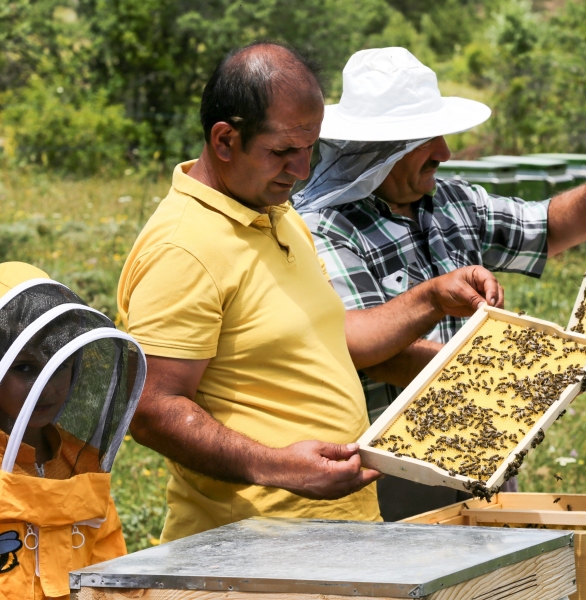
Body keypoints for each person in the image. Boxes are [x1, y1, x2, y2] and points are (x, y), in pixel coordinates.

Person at [117, 41, 503, 543]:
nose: (301, 170)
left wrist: (429, 298)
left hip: (334, 532)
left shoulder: (275, 212)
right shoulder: (183, 248)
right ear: (225, 140)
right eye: (282, 152)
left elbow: (326, 334)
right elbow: (150, 408)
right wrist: (276, 467)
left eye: (310, 149)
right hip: (252, 548)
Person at [296, 47, 586, 521]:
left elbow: (548, 226)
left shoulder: (453, 201)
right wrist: (531, 376)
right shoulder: (323, 229)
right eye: (424, 140)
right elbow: (369, 351)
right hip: (396, 472)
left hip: (485, 452)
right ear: (379, 153)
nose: (445, 151)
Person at [0, 261, 146, 599]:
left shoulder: (81, 463)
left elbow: (112, 575)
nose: (47, 386)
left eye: (59, 364)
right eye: (24, 367)